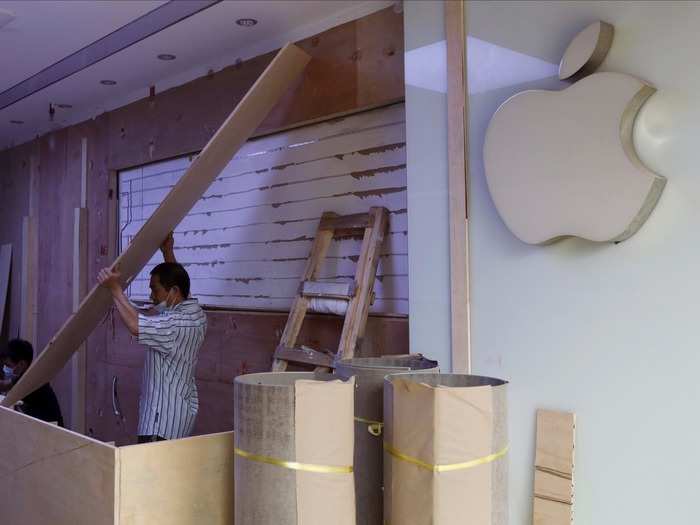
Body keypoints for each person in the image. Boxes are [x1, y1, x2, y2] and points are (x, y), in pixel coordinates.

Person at [98, 233, 206, 443]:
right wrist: (167, 252)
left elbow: (136, 326)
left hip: (160, 424)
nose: (151, 297)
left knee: (152, 475)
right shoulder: (196, 315)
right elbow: (179, 286)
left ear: (173, 292)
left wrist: (114, 288)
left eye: (154, 290)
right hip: (178, 419)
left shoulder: (175, 326)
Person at [0, 338, 64, 426]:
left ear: (21, 364)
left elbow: (6, 398)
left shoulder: (30, 381)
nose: (5, 369)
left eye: (8, 365)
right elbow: (5, 385)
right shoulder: (26, 375)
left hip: (50, 431)